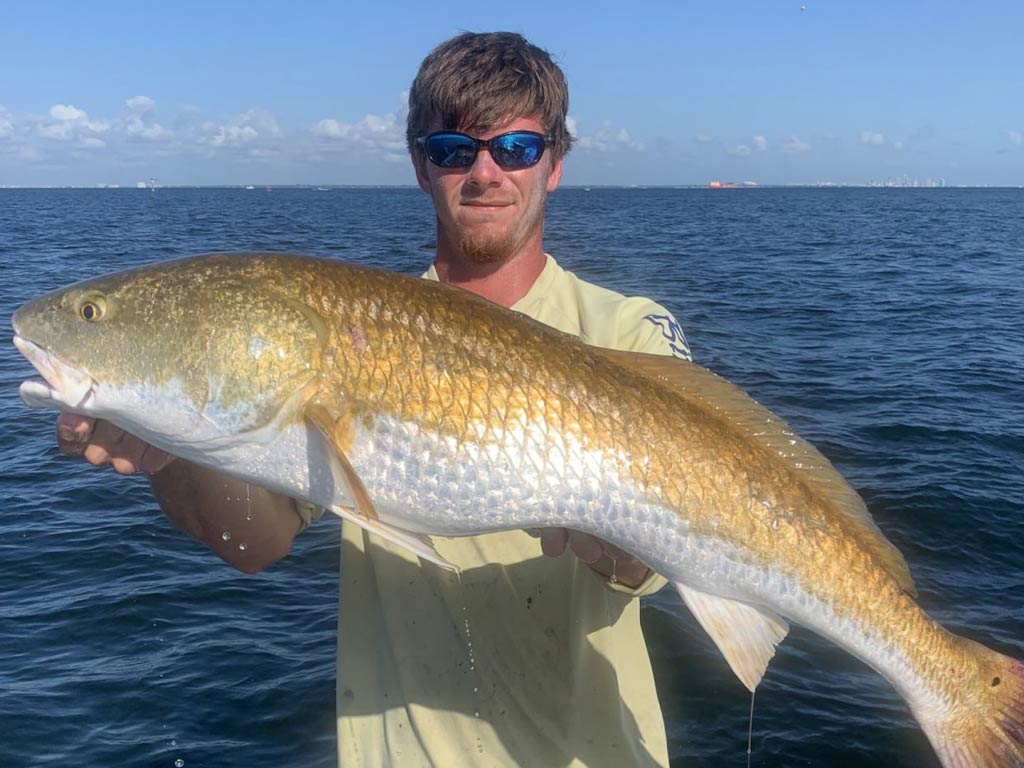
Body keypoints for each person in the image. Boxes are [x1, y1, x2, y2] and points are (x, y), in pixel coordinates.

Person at [57, 32, 692, 767]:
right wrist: (171, 450)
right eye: (455, 149)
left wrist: (617, 536)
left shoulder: (625, 330)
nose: (485, 173)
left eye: (516, 148)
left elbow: (653, 562)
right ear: (421, 166)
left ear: (555, 164)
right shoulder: (353, 337)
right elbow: (256, 543)